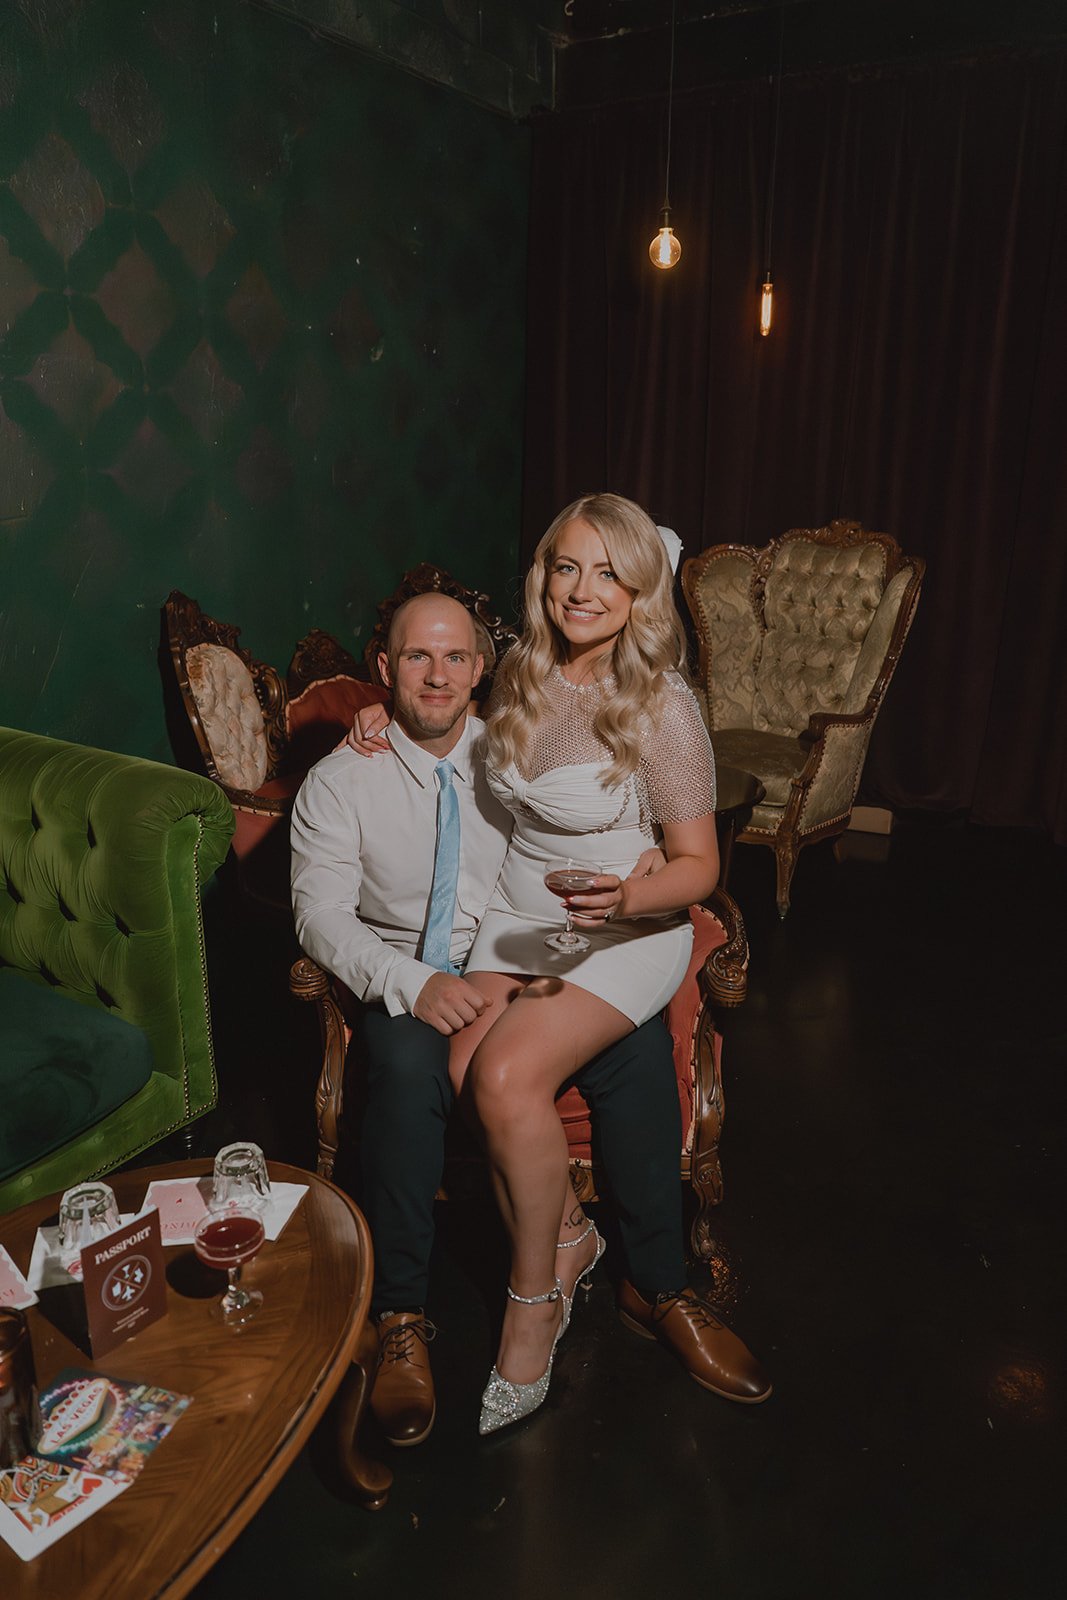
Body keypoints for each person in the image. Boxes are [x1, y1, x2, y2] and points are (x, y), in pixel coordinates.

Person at [291, 587, 769, 1450]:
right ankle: (400, 1318)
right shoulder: (337, 781)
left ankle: (658, 1285)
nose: (435, 676)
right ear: (382, 667)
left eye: (454, 657)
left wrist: (647, 855)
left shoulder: (507, 748)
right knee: (406, 1072)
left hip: (525, 949)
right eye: (414, 658)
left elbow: (585, 815)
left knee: (628, 1049)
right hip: (409, 969)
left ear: (482, 670)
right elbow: (320, 917)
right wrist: (409, 981)